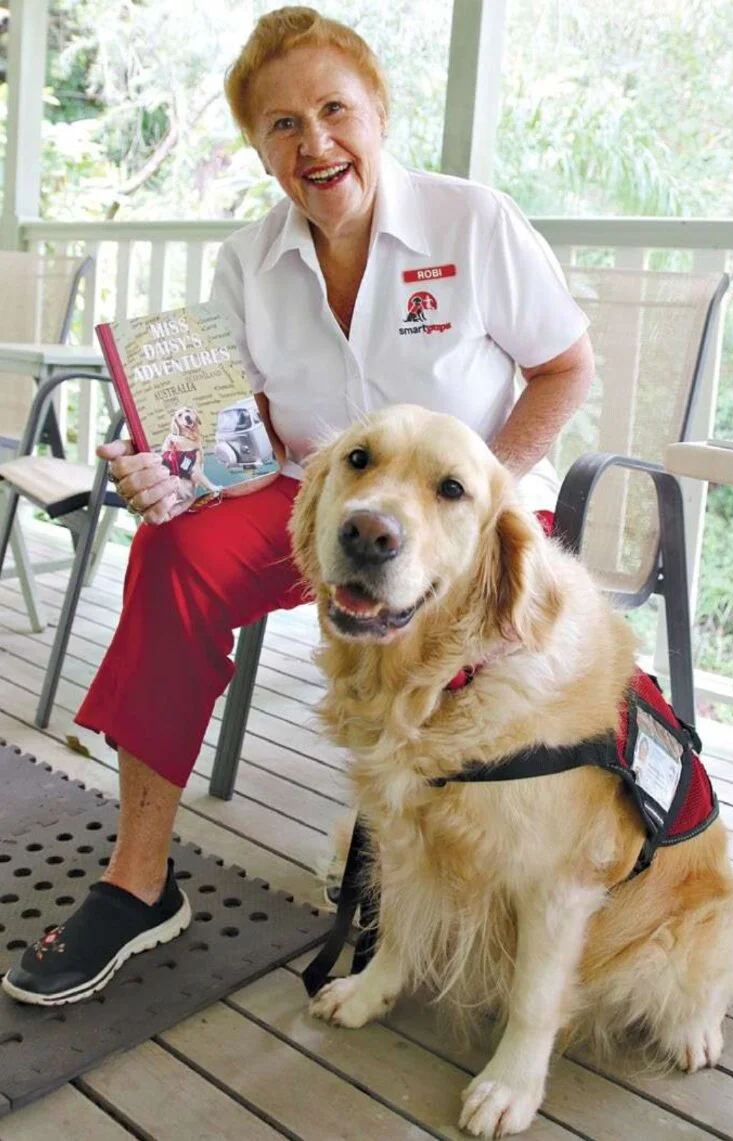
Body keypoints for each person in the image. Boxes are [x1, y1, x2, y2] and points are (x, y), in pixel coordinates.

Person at [2, 5, 593, 1006]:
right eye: (281, 124)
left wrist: (476, 491)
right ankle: (139, 881)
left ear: (377, 113)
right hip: (317, 503)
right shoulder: (247, 262)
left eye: (333, 110)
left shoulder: (471, 222)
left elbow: (563, 368)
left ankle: (437, 871)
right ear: (260, 150)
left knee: (487, 634)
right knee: (172, 553)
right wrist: (167, 473)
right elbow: (237, 443)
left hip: (459, 521)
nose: (313, 142)